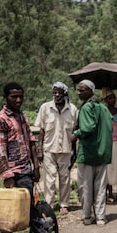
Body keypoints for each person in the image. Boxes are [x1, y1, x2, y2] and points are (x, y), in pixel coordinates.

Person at [0, 82, 64, 233]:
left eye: (20, 96)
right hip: (14, 170)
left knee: (17, 206)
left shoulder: (22, 116)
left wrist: (36, 166)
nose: (18, 100)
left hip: (26, 168)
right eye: (14, 97)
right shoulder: (0, 119)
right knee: (28, 206)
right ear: (5, 97)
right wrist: (7, 175)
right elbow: (0, 150)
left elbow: (31, 141)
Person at [72, 80, 113, 226]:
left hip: (88, 153)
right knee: (100, 187)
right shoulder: (103, 108)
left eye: (82, 90)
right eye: (78, 90)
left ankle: (87, 216)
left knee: (85, 186)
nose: (79, 93)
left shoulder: (86, 108)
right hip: (102, 154)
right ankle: (101, 216)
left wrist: (76, 134)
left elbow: (88, 128)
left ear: (91, 90)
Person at [34, 82, 78, 216]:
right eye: (55, 93)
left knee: (65, 177)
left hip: (66, 149)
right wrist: (39, 149)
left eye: (60, 92)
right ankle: (49, 205)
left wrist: (74, 151)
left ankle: (64, 204)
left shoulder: (72, 109)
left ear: (65, 94)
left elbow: (76, 131)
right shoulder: (45, 108)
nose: (57, 95)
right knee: (50, 178)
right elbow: (41, 130)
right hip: (49, 148)